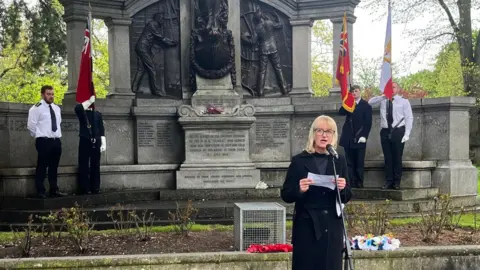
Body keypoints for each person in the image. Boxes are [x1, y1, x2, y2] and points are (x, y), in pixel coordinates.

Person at [281, 115, 352, 270]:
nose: (324, 135)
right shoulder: (299, 160)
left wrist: (343, 188)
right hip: (307, 225)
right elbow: (286, 194)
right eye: (320, 130)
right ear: (313, 134)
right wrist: (299, 189)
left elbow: (347, 196)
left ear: (334, 135)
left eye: (329, 131)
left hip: (332, 226)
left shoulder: (338, 160)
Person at [368, 82, 413, 189]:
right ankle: (389, 180)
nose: (391, 89)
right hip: (385, 131)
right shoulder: (383, 100)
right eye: (389, 87)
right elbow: (370, 102)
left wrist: (407, 133)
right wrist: (384, 95)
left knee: (397, 157)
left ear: (398, 89)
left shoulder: (404, 102)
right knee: (387, 158)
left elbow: (409, 118)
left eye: (393, 87)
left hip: (398, 131)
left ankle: (397, 182)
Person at [27, 85, 66, 198]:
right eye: (48, 94)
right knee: (42, 166)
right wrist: (40, 136)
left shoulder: (56, 108)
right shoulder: (36, 108)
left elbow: (58, 124)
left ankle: (54, 189)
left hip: (56, 140)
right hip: (43, 141)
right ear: (43, 94)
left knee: (54, 166)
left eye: (52, 94)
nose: (51, 96)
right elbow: (31, 126)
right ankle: (41, 191)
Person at [131, 12, 178, 96]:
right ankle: (156, 91)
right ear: (158, 18)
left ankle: (134, 88)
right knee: (152, 69)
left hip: (142, 47)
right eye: (162, 18)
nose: (163, 20)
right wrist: (170, 42)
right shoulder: (153, 24)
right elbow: (159, 37)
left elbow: (155, 39)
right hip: (143, 47)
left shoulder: (154, 24)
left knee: (141, 70)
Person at [338, 85, 372, 188]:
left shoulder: (366, 105)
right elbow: (340, 112)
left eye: (356, 91)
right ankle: (351, 181)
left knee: (359, 161)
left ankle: (359, 181)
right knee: (349, 162)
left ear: (360, 92)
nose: (354, 93)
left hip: (359, 137)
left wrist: (364, 136)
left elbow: (368, 123)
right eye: (352, 92)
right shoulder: (349, 104)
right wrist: (347, 101)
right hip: (348, 137)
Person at [74, 95, 106, 195]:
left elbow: (101, 130)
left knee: (95, 165)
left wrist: (103, 143)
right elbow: (78, 108)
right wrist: (88, 101)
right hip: (85, 140)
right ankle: (85, 188)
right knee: (83, 164)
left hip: (96, 141)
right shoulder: (82, 113)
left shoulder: (97, 114)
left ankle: (95, 187)